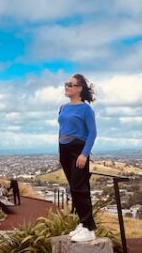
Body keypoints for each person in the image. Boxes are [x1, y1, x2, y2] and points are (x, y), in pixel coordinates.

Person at [58, 74, 97, 242]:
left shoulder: (85, 109)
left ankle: (89, 228)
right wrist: (60, 152)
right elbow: (61, 130)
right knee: (74, 188)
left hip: (78, 149)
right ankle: (83, 223)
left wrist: (84, 154)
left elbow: (93, 133)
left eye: (70, 85)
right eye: (66, 84)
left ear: (79, 89)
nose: (66, 87)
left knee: (80, 188)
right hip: (64, 149)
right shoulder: (63, 107)